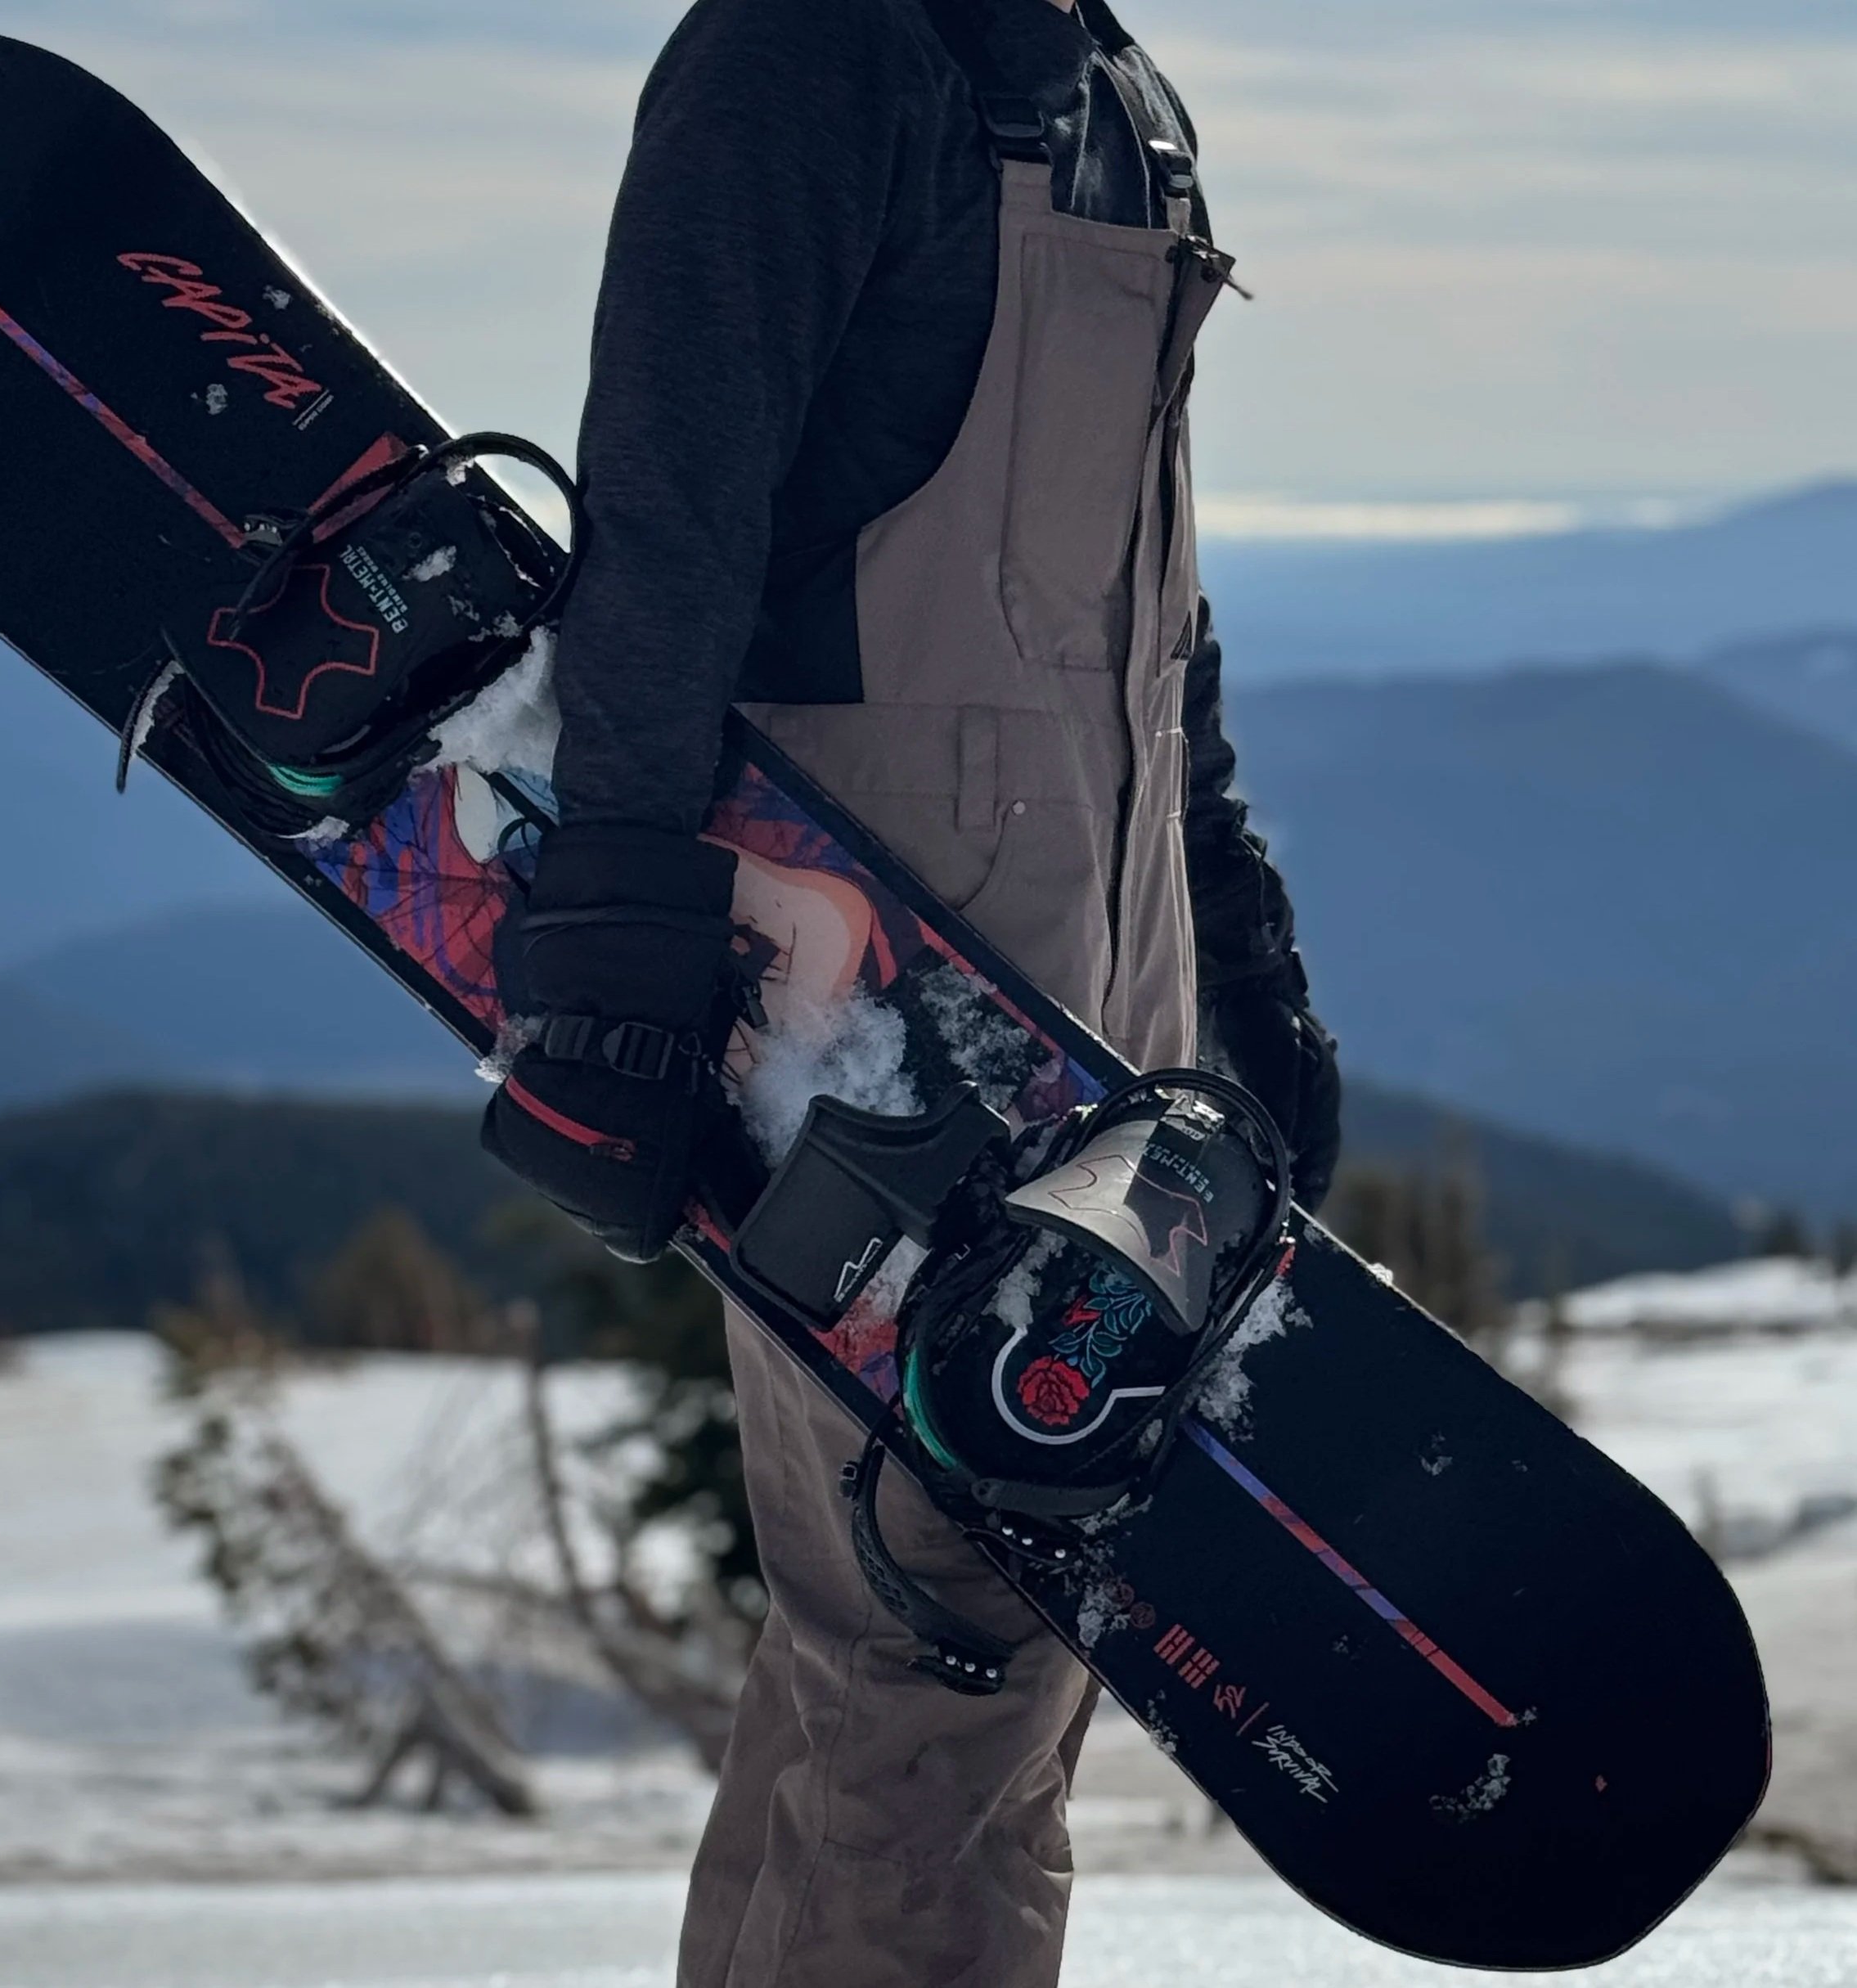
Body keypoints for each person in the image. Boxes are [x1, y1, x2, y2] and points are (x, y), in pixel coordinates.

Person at [484, 1, 1341, 1981]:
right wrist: (618, 916)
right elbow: (666, 503)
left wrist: (1239, 947)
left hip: (1102, 969)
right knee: (947, 1635)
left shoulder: (1108, 83)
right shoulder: (813, 52)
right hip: (880, 979)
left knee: (892, 1665)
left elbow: (1152, 628)